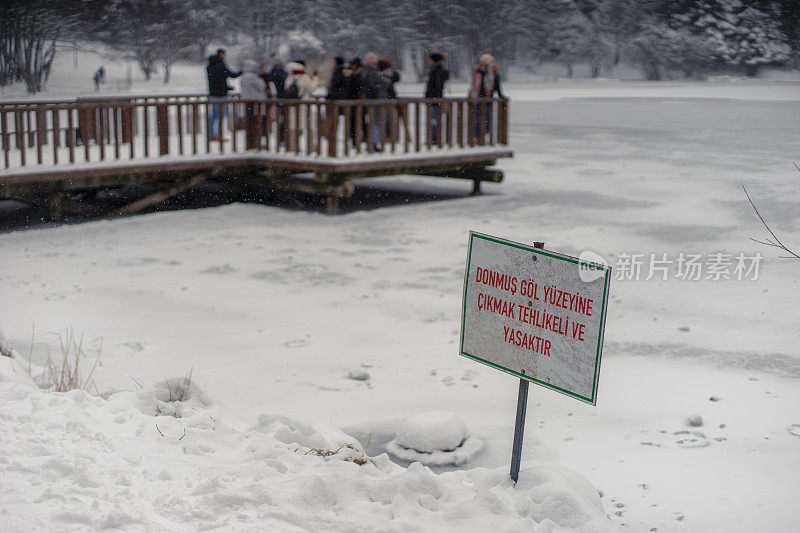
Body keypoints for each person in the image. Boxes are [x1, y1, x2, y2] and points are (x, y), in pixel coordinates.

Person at [206, 48, 242, 141]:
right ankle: (218, 135)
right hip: (222, 94)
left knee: (213, 116)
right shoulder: (221, 64)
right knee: (221, 116)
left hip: (212, 94)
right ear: (221, 54)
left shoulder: (209, 65)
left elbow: (215, 80)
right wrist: (241, 71)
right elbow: (231, 75)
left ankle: (211, 134)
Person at [469, 53, 505, 141]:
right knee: (477, 119)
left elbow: (497, 87)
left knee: (486, 119)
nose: (480, 63)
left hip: (487, 100)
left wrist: (501, 96)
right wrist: (470, 97)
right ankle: (477, 136)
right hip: (477, 100)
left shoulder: (493, 74)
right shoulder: (477, 72)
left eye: (482, 61)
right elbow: (473, 87)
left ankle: (483, 135)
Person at [360, 52, 388, 151]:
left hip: (369, 101)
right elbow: (373, 86)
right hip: (374, 102)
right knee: (375, 122)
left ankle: (372, 142)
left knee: (371, 122)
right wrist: (383, 83)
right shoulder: (372, 73)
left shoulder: (364, 72)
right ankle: (374, 143)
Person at [425, 52, 449, 143]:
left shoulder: (438, 71)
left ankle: (435, 138)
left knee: (434, 120)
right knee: (433, 120)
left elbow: (436, 86)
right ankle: (434, 137)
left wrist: (432, 96)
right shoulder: (435, 70)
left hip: (435, 99)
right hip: (433, 98)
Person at [345, 57, 363, 147]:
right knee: (352, 123)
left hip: (359, 103)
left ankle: (357, 141)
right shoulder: (352, 74)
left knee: (358, 123)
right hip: (353, 102)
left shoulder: (361, 74)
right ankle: (354, 141)